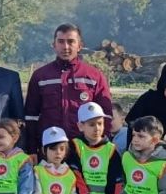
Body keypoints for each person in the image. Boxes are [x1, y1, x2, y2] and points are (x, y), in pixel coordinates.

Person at [23, 24, 113, 153]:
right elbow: (31, 116)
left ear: (79, 46)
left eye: (71, 42)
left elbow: (106, 114)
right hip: (51, 149)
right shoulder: (40, 76)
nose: (65, 47)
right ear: (54, 45)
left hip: (85, 150)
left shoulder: (94, 76)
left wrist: (102, 146)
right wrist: (32, 150)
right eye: (61, 41)